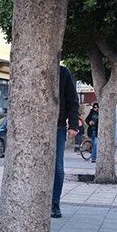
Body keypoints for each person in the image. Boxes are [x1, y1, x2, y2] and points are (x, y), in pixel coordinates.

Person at [52, 65, 79, 218]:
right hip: (36, 128)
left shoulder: (63, 72)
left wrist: (73, 125)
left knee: (58, 167)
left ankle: (54, 203)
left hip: (58, 127)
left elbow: (73, 101)